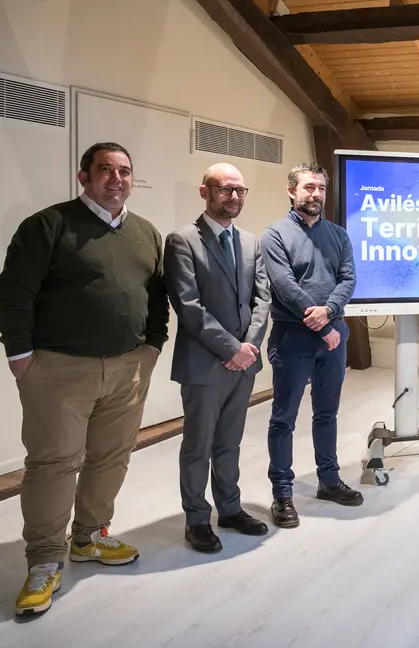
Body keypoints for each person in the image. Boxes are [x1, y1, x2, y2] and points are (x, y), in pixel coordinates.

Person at [0, 141, 168, 616]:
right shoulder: (48, 226)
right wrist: (21, 356)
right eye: (105, 170)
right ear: (84, 177)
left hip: (129, 367)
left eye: (125, 171)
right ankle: (44, 561)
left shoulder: (146, 233)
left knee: (111, 458)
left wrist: (153, 346)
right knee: (53, 464)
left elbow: (157, 297)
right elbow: (14, 293)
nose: (116, 179)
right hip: (58, 369)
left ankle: (90, 537)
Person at [165, 163, 272, 553]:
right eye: (225, 189)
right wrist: (232, 349)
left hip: (244, 363)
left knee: (229, 442)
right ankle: (196, 519)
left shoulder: (251, 242)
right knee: (198, 445)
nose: (233, 196)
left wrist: (249, 348)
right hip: (205, 364)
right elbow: (188, 306)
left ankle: (229, 508)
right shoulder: (182, 241)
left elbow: (263, 300)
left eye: (240, 190)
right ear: (204, 192)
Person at [262, 162, 359, 528]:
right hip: (293, 340)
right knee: (283, 418)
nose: (315, 194)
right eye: (308, 187)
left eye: (320, 187)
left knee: (327, 414)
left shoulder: (337, 234)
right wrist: (321, 326)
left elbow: (348, 278)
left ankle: (329, 480)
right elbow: (284, 285)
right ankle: (282, 494)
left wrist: (330, 312)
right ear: (292, 192)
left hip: (334, 337)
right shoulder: (275, 235)